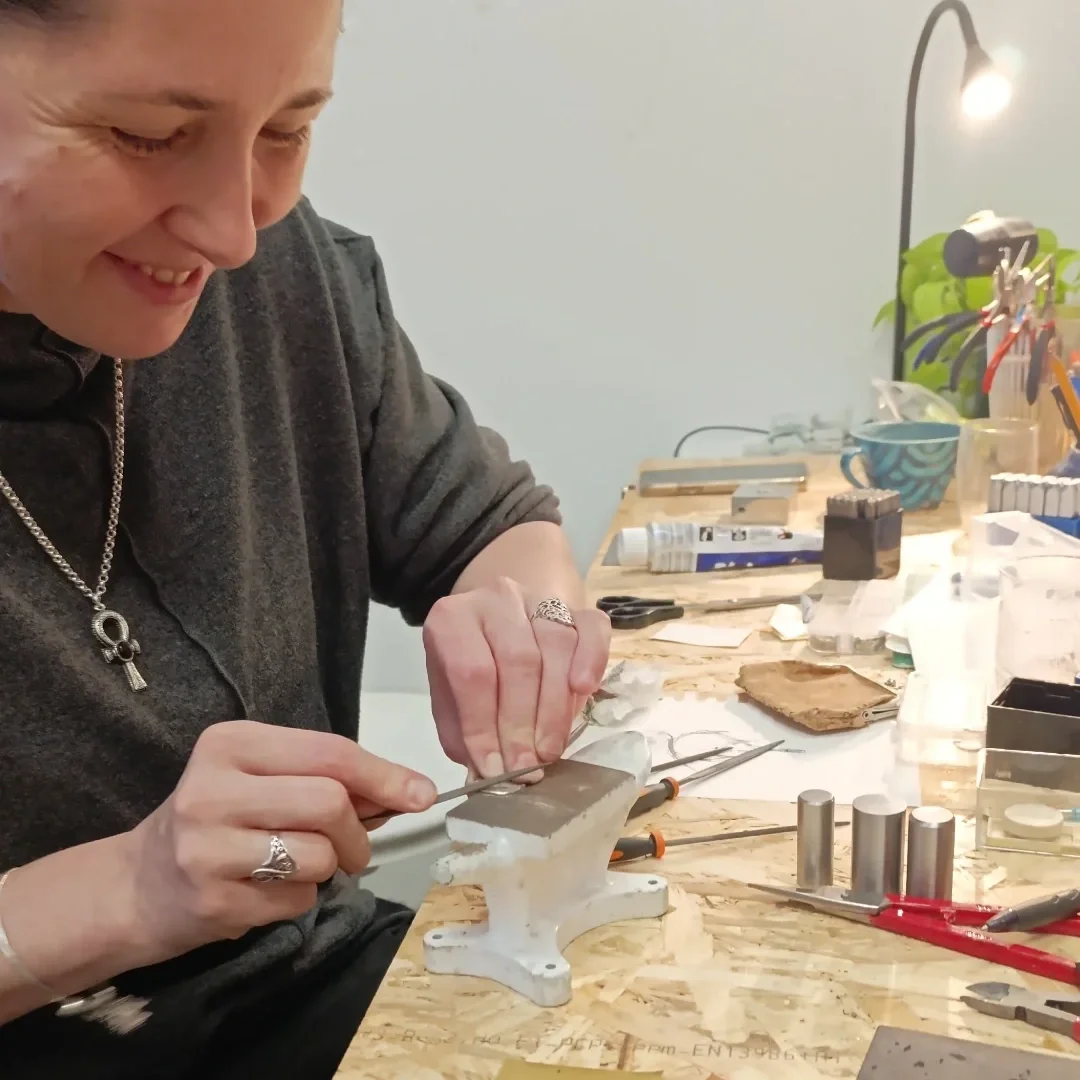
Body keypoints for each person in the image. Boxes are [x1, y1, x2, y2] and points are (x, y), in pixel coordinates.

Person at [0, 1, 612, 1076]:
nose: (235, 231)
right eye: (148, 133)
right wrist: (125, 893)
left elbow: (506, 525)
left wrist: (534, 622)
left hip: (328, 1003)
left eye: (288, 129)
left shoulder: (282, 276)